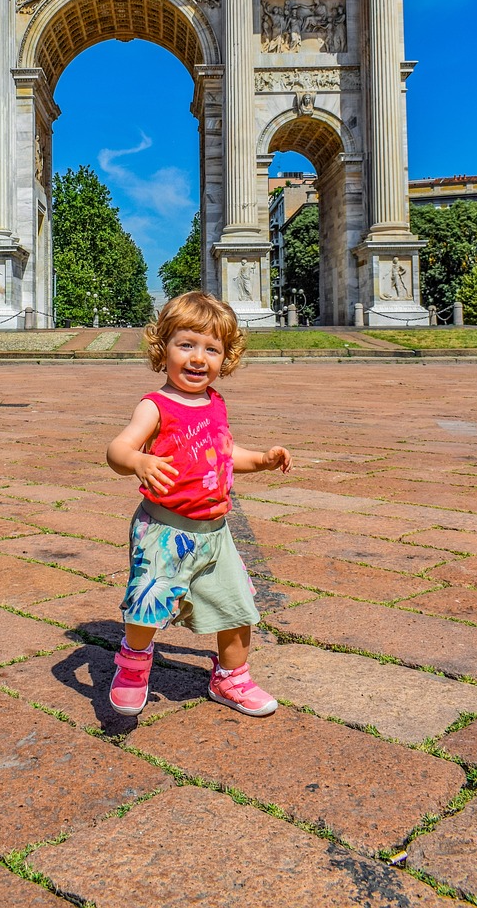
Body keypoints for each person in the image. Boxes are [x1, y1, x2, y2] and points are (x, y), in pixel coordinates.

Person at [105, 291, 292, 717]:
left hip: (215, 533)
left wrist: (260, 460)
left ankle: (232, 678)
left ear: (225, 359)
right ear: (163, 347)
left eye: (212, 349)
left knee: (237, 608)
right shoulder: (155, 405)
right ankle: (133, 664)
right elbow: (117, 449)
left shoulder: (216, 403)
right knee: (146, 607)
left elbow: (226, 453)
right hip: (165, 531)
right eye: (186, 344)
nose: (198, 358)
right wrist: (137, 459)